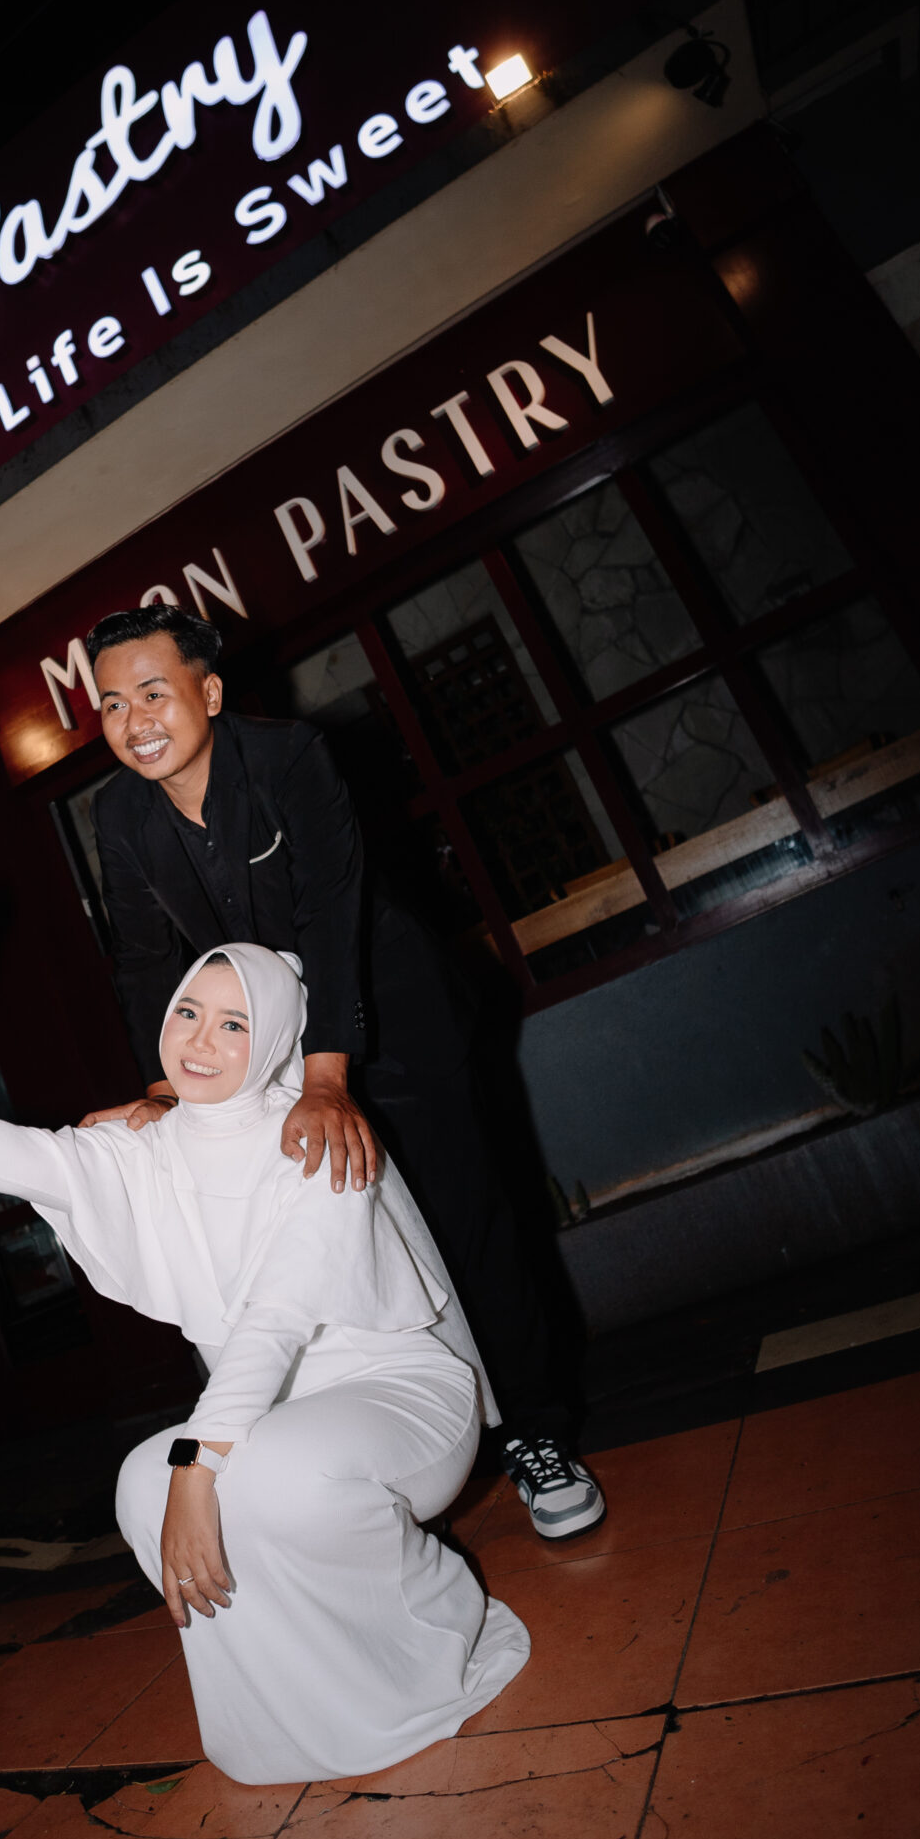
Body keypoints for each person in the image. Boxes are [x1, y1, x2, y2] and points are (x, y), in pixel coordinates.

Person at [0, 944, 530, 1785]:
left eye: (234, 1024)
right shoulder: (146, 1147)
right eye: (187, 1012)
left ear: (277, 1036)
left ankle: (432, 1621)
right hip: (270, 1419)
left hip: (401, 1395)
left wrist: (198, 1466)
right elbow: (28, 1155)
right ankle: (297, 1709)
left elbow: (273, 1321)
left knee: (261, 1476)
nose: (200, 1040)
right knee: (144, 1484)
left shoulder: (318, 1137)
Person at [79, 604, 604, 1542]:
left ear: (209, 692)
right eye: (113, 704)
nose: (134, 720)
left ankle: (535, 1434)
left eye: (153, 693)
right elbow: (147, 961)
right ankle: (385, 1457)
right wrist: (164, 1087)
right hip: (271, 1054)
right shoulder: (118, 813)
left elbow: (331, 912)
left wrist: (328, 1080)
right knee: (330, 1252)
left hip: (393, 1022)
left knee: (464, 1225)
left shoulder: (289, 758)